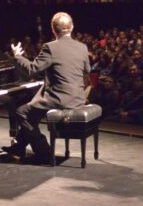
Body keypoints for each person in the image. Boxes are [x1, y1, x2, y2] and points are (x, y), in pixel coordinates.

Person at [8, 12, 90, 163]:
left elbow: (32, 70)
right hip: (78, 98)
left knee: (22, 113)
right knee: (34, 109)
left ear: (53, 29)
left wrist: (17, 56)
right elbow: (86, 71)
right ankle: (18, 147)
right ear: (72, 27)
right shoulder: (82, 47)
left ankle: (44, 151)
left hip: (59, 100)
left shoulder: (50, 47)